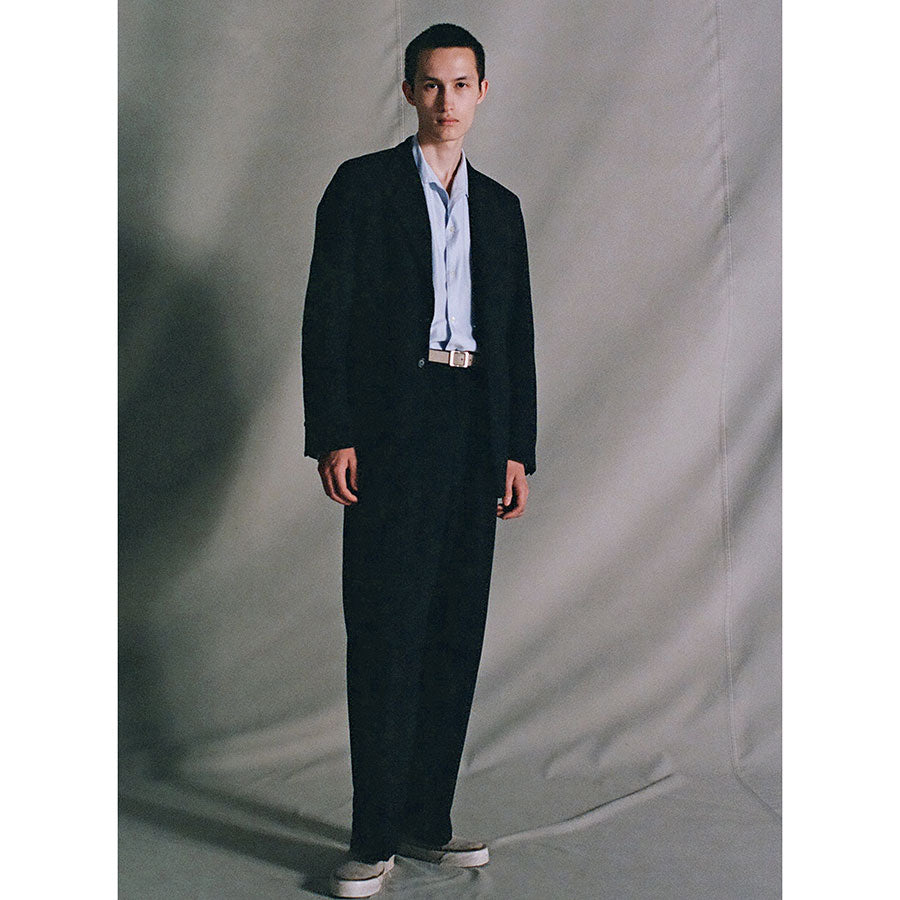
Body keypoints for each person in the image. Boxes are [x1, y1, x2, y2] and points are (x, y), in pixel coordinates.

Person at [301, 22, 537, 898]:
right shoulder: (361, 188)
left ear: (483, 93)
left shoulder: (501, 208)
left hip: (474, 431)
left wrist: (516, 448)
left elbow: (515, 335)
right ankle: (372, 837)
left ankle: (425, 821)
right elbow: (325, 314)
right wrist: (334, 430)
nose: (447, 101)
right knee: (385, 631)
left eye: (462, 85)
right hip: (391, 430)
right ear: (408, 92)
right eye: (431, 85)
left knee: (452, 632)